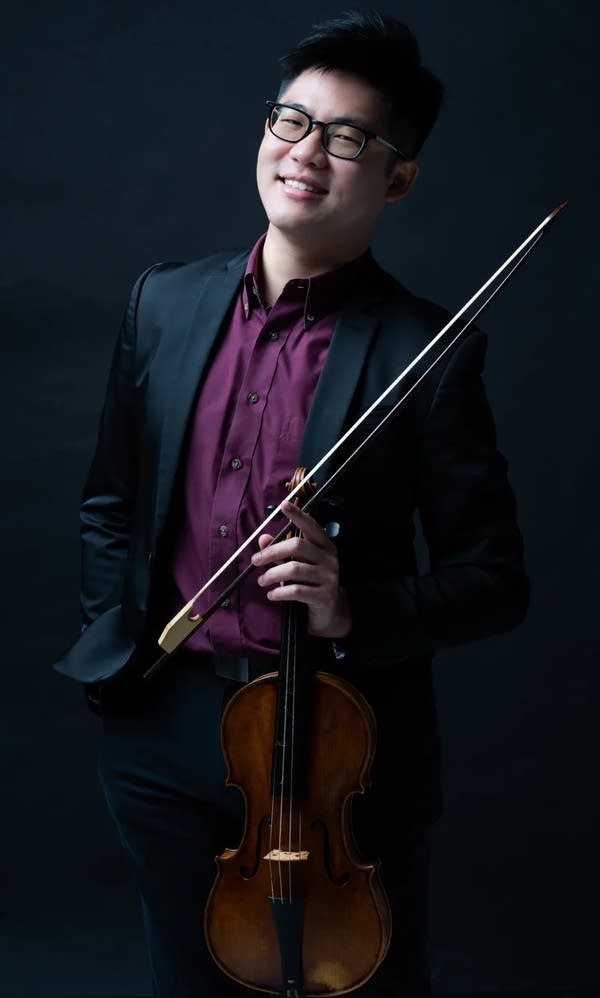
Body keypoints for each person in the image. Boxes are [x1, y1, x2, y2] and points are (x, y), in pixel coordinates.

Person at [54, 9, 529, 997]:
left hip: (338, 749)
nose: (307, 152)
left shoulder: (429, 353)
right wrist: (121, 645)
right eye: (293, 121)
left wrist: (351, 605)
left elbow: (494, 581)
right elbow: (110, 502)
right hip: (165, 725)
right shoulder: (162, 303)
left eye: (348, 137)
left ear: (399, 178)